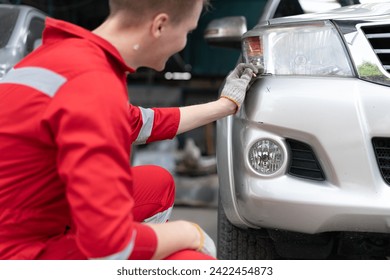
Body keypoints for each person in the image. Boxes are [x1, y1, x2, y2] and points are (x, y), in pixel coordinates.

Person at [0, 0, 257, 260]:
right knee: (193, 261)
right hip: (20, 254)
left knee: (156, 183)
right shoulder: (93, 84)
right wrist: (190, 234)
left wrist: (225, 106)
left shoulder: (66, 55)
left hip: (31, 217)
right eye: (187, 32)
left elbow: (140, 122)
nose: (183, 43)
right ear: (160, 26)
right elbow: (110, 246)